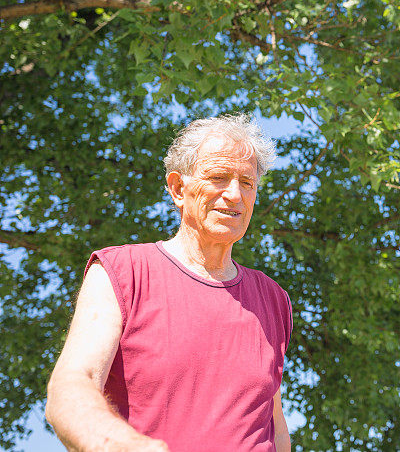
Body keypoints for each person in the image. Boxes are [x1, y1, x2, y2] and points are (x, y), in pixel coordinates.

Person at [45, 114, 292, 452]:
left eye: (247, 183)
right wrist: (125, 446)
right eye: (219, 177)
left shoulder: (273, 299)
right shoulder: (122, 271)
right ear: (178, 188)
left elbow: (273, 427)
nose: (235, 194)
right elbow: (71, 387)